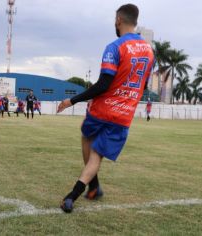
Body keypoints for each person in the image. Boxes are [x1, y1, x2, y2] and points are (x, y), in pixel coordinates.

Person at [56, 4, 155, 213]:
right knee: (97, 155)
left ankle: (77, 193)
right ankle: (90, 189)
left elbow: (103, 84)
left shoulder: (115, 46)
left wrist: (71, 101)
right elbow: (143, 85)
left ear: (118, 20)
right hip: (124, 114)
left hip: (103, 109)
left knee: (87, 139)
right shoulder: (149, 52)